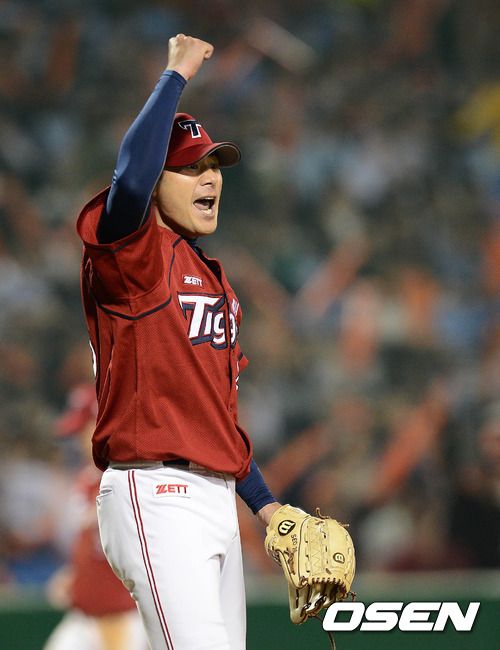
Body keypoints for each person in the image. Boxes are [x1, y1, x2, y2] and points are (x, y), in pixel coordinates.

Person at [76, 34, 281, 650]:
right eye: (190, 166)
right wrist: (175, 76)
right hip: (155, 490)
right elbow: (129, 180)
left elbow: (215, 418)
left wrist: (267, 507)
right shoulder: (134, 256)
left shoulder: (215, 282)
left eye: (214, 166)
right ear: (156, 181)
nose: (209, 177)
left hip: (218, 499)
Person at [43, 383, 149, 650]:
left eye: (83, 429)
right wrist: (76, 574)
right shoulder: (87, 478)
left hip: (118, 615)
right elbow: (96, 548)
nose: (78, 439)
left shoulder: (129, 477)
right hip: (85, 615)